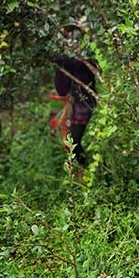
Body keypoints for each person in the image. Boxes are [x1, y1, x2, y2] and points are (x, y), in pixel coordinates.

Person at [54, 23, 99, 172]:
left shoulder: (85, 57)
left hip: (86, 106)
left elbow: (82, 65)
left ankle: (89, 172)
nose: (69, 39)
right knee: (72, 145)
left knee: (74, 144)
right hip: (78, 107)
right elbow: (62, 90)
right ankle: (85, 173)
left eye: (71, 36)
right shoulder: (67, 61)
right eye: (67, 36)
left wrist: (62, 61)